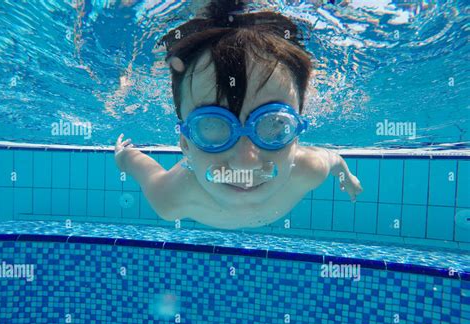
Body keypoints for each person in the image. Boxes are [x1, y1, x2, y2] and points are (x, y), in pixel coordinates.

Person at [115, 0, 362, 229]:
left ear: (295, 136)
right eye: (212, 126)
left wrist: (347, 176)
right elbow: (140, 167)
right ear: (185, 145)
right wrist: (124, 155)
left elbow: (333, 160)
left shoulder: (310, 168)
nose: (245, 163)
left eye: (274, 124)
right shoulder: (170, 198)